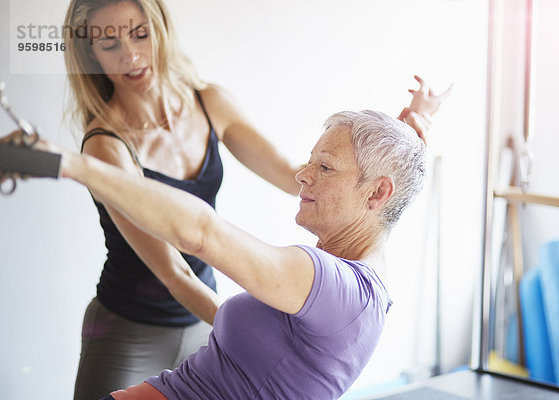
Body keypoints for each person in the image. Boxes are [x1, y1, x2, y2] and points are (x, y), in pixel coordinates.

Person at [13, 0, 444, 398]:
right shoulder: (105, 146)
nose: (130, 55)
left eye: (139, 34)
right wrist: (248, 335)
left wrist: (391, 146)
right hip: (132, 324)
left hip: (209, 317)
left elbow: (299, 178)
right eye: (109, 44)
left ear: (159, 30)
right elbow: (176, 269)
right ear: (91, 57)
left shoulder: (209, 102)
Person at [25, 104, 430, 399]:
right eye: (309, 162)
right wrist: (413, 125)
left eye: (324, 168)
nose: (302, 175)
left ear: (378, 193)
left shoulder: (336, 287)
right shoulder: (348, 276)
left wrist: (71, 166)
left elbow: (202, 234)